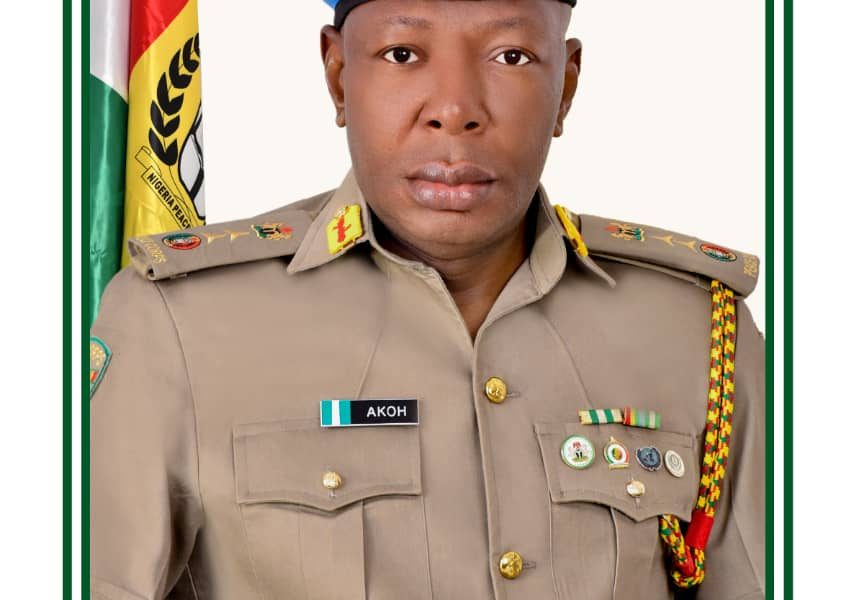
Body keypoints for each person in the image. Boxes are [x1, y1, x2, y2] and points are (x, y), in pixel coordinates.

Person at [89, 1, 765, 598]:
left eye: (511, 55)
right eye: (402, 53)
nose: (455, 109)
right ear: (338, 75)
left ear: (565, 85)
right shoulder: (178, 325)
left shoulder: (696, 331)